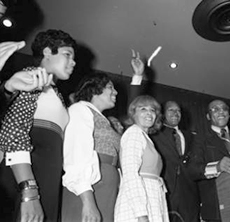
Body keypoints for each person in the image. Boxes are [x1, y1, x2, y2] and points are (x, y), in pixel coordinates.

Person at [0, 29, 77, 222]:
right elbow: (14, 130)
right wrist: (29, 191)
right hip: (26, 174)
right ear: (46, 52)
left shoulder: (56, 94)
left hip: (47, 175)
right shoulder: (30, 77)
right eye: (67, 55)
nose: (73, 62)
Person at [61, 50, 145, 222]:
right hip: (89, 188)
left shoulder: (104, 120)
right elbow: (77, 155)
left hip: (106, 185)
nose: (115, 92)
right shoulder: (80, 110)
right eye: (110, 87)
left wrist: (137, 76)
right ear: (94, 89)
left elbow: (133, 119)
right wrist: (88, 202)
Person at [189, 99, 230, 221]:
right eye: (215, 109)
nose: (221, 112)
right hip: (217, 209)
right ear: (208, 116)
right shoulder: (200, 139)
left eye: (224, 108)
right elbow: (192, 170)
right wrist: (217, 167)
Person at [114, 95, 169, 222]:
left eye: (153, 110)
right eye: (143, 109)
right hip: (139, 202)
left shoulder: (144, 137)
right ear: (133, 114)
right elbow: (130, 174)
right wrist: (141, 213)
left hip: (151, 198)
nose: (149, 113)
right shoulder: (133, 134)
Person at [151, 101, 200, 222]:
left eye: (178, 110)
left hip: (190, 192)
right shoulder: (154, 134)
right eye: (171, 110)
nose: (175, 113)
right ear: (162, 114)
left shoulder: (191, 136)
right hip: (167, 191)